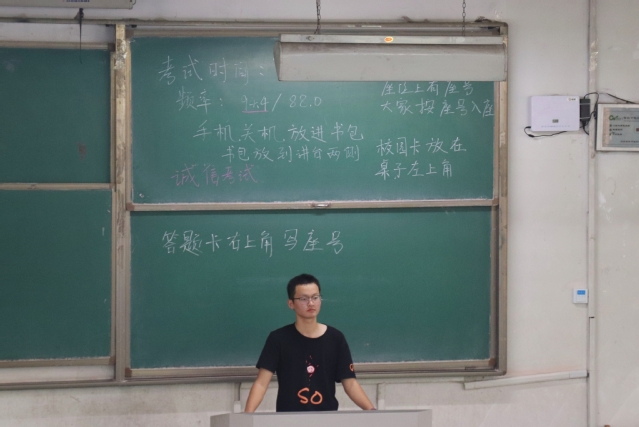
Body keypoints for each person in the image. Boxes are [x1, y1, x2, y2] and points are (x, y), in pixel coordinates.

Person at [244, 273, 376, 412]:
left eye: (315, 297)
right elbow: (261, 384)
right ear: (291, 304)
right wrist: (246, 416)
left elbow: (350, 384)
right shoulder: (278, 338)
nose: (311, 303)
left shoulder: (335, 338)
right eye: (303, 299)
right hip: (288, 419)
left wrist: (372, 411)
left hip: (327, 417)